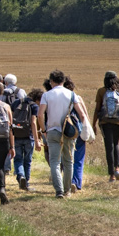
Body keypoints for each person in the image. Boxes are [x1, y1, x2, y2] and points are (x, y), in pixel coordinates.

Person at [37, 70, 89, 198]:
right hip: (68, 132)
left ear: (52, 81)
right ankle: (67, 190)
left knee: (54, 162)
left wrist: (44, 131)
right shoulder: (71, 94)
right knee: (68, 161)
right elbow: (82, 114)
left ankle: (58, 191)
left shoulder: (47, 95)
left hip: (52, 131)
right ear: (63, 81)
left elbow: (40, 115)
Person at [93, 71, 119, 182]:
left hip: (105, 122)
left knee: (109, 147)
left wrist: (93, 124)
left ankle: (112, 175)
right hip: (118, 122)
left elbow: (97, 109)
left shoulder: (101, 91)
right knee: (116, 144)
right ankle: (117, 168)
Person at [11, 88, 43, 191]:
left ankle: (21, 176)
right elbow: (33, 123)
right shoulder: (34, 106)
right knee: (27, 161)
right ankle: (26, 183)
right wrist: (37, 140)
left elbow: (11, 120)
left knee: (18, 159)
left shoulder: (16, 102)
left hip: (16, 135)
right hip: (29, 137)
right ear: (38, 99)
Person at [65, 76, 91, 193]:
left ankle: (67, 181)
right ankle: (75, 182)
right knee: (79, 159)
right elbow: (84, 115)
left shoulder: (61, 98)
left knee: (66, 158)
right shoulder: (78, 98)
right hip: (78, 130)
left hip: (66, 132)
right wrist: (88, 130)